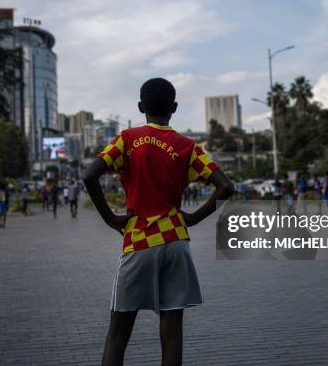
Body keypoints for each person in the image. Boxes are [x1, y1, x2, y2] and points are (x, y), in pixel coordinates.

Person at [83, 78, 234, 366]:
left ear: (141, 107)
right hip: (176, 243)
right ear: (174, 108)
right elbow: (226, 186)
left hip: (139, 241)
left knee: (118, 333)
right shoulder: (188, 147)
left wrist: (110, 219)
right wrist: (193, 218)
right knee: (172, 333)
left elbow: (90, 175)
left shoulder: (126, 140)